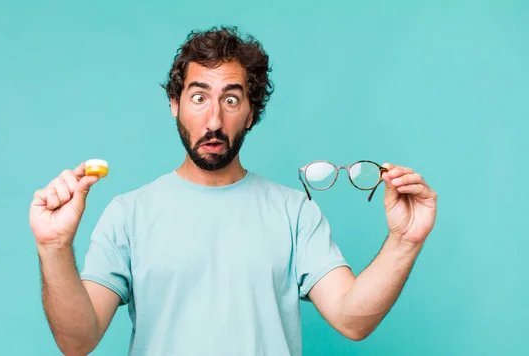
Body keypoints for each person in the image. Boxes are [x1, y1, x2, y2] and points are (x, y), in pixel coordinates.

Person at [29, 26, 437, 356]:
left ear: (252, 112)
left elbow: (353, 319)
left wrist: (405, 241)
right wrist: (54, 246)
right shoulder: (128, 213)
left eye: (231, 98)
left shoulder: (294, 211)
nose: (213, 119)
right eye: (199, 96)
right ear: (175, 103)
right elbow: (77, 341)